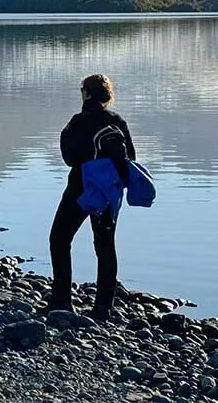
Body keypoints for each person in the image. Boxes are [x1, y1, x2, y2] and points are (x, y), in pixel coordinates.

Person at [48, 73, 135, 319]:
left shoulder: (78, 121)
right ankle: (103, 307)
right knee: (105, 246)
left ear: (86, 93)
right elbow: (131, 159)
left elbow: (69, 158)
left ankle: (62, 301)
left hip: (80, 189)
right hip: (109, 192)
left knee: (60, 239)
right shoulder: (118, 121)